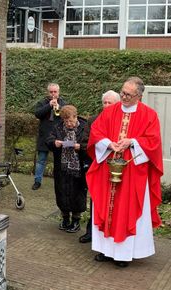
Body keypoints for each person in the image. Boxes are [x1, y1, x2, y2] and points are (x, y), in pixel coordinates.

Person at [86, 77, 163, 268]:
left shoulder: (149, 115)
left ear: (139, 95)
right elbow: (96, 132)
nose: (124, 96)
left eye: (129, 94)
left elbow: (153, 142)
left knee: (126, 208)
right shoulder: (110, 111)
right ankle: (105, 250)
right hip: (107, 168)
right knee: (105, 206)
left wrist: (133, 142)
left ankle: (123, 254)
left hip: (133, 172)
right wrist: (107, 143)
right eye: (122, 92)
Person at [78, 90, 121, 243]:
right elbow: (84, 143)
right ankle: (92, 231)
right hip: (97, 165)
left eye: (110, 103)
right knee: (96, 199)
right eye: (105, 102)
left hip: (118, 169)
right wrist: (102, 148)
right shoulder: (94, 120)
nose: (107, 106)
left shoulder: (122, 122)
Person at [46, 105, 88, 233]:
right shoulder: (58, 127)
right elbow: (48, 140)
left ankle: (76, 221)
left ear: (76, 117)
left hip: (78, 169)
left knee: (78, 194)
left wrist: (80, 147)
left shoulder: (84, 128)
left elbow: (90, 145)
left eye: (71, 121)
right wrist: (54, 143)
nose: (69, 124)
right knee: (62, 192)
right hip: (62, 168)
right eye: (66, 121)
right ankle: (65, 218)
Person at [33, 83, 68, 190]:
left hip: (58, 136)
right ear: (48, 92)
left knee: (59, 161)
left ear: (59, 92)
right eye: (51, 92)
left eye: (55, 92)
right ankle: (37, 182)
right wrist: (49, 105)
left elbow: (67, 116)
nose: (53, 94)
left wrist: (59, 108)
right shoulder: (42, 102)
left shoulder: (63, 103)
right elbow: (37, 114)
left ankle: (60, 182)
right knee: (41, 160)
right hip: (45, 136)